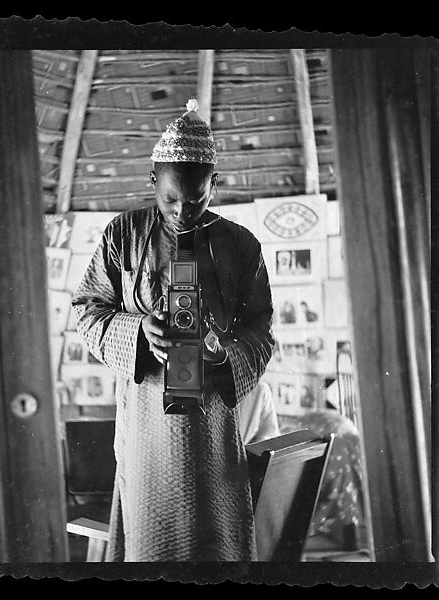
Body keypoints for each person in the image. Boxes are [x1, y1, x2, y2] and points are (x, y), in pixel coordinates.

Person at [72, 99, 274, 562]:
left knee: (217, 546)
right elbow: (87, 310)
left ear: (214, 185)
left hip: (214, 428)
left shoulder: (241, 245)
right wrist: (139, 330)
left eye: (198, 197)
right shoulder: (122, 234)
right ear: (152, 183)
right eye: (170, 199)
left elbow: (261, 330)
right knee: (151, 545)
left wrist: (222, 353)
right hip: (144, 425)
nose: (184, 210)